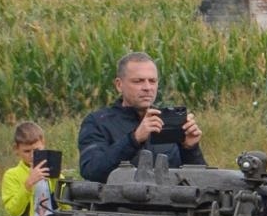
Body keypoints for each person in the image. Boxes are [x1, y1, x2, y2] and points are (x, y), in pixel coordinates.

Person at [78, 51, 205, 181]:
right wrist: (134, 139)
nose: (147, 87)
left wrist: (190, 149)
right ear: (119, 85)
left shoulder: (169, 121)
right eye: (138, 81)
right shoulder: (98, 123)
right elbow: (91, 171)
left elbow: (199, 181)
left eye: (152, 81)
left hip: (168, 194)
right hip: (121, 194)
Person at [2, 120, 56, 216]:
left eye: (37, 150)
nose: (32, 155)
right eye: (27, 151)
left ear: (43, 143)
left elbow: (67, 206)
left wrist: (58, 178)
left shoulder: (51, 171)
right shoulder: (11, 175)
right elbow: (13, 211)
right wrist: (28, 185)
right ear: (16, 149)